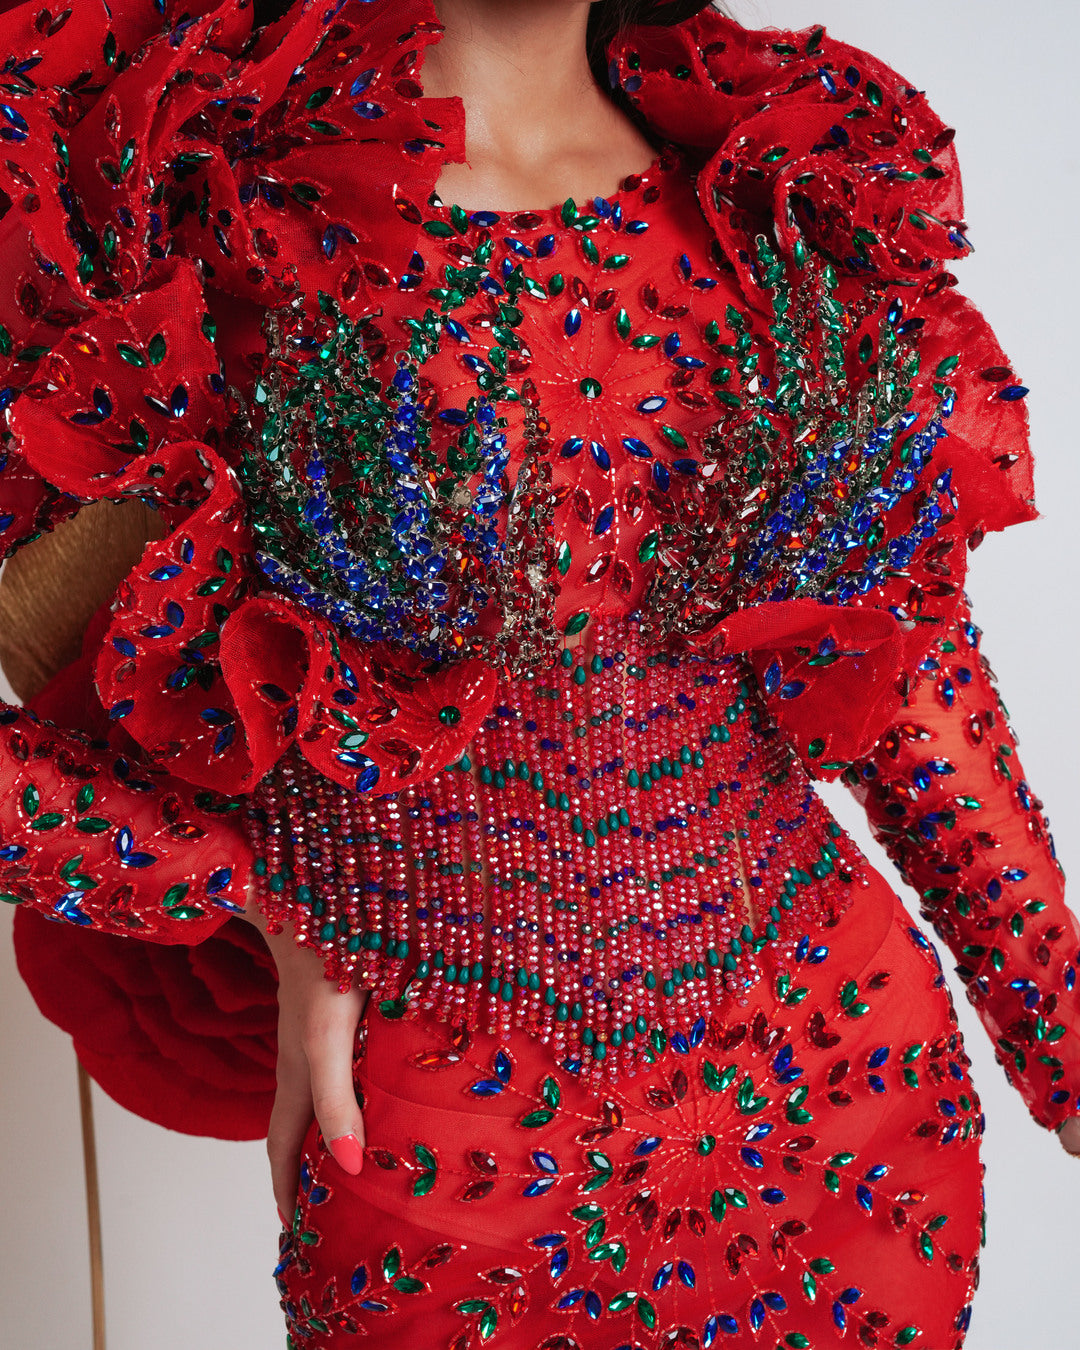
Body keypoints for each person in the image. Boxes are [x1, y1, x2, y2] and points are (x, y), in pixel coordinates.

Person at [0, 0, 1077, 1346]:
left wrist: (1064, 1042)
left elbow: (915, 691)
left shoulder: (777, 189)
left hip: (843, 1109)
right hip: (452, 1187)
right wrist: (262, 895)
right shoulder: (192, 205)